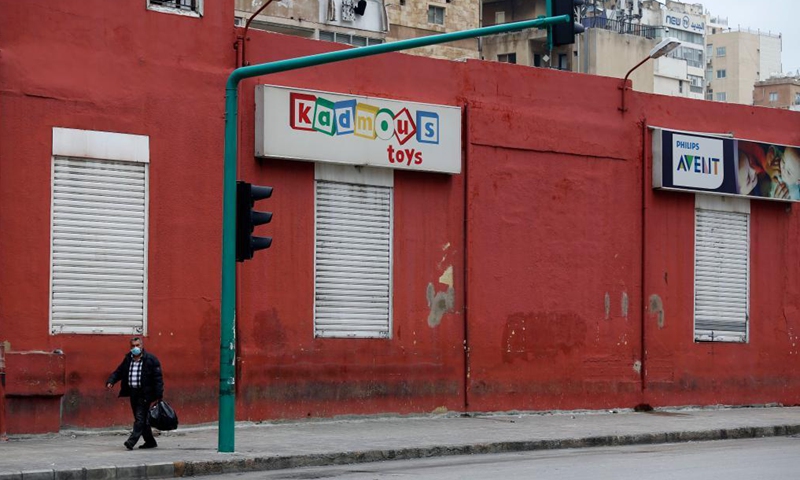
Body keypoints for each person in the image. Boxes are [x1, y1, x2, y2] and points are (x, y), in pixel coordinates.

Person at [106, 337, 164, 450]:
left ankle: (131, 441)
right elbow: (119, 371)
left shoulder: (151, 360)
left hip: (145, 393)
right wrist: (111, 381)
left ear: (142, 345)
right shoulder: (128, 359)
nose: (135, 348)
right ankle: (150, 441)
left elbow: (158, 379)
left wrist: (159, 395)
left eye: (137, 345)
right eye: (133, 346)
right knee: (142, 419)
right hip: (133, 393)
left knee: (140, 418)